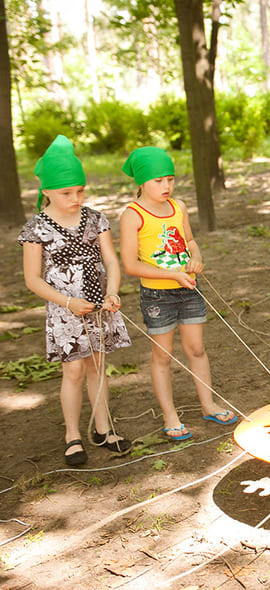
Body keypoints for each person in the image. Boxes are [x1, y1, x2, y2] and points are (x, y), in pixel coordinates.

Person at [19, 135, 132, 465]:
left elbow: (110, 260)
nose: (76, 198)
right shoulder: (36, 228)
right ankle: (73, 435)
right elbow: (32, 279)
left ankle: (103, 428)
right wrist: (67, 303)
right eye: (67, 192)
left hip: (98, 304)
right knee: (74, 373)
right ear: (47, 192)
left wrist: (112, 291)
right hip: (65, 310)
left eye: (80, 191)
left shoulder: (95, 219)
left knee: (98, 368)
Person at [120, 147, 237, 441]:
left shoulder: (179, 207)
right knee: (163, 355)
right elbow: (130, 265)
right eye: (158, 180)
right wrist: (172, 274)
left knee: (196, 349)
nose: (166, 186)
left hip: (189, 290)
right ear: (142, 182)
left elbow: (190, 241)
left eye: (170, 179)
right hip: (158, 296)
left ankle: (208, 404)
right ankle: (169, 415)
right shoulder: (133, 216)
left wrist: (195, 258)